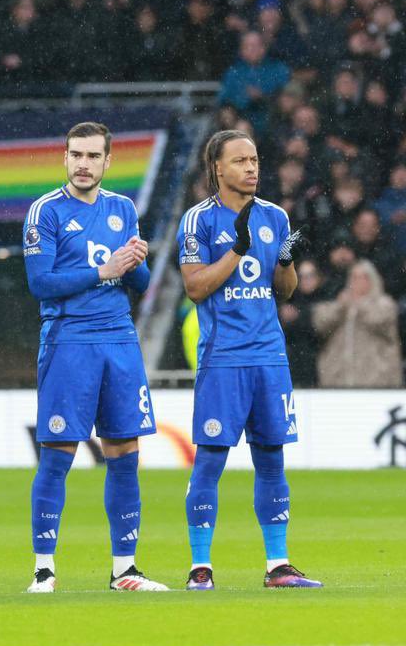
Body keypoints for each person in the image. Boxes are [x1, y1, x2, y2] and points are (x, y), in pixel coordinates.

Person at [21, 122, 166, 594]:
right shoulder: (45, 211)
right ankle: (44, 569)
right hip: (69, 340)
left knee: (125, 453)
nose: (83, 164)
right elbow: (40, 283)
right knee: (58, 453)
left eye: (92, 156)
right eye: (76, 155)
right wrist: (104, 269)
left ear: (108, 161)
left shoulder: (123, 208)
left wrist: (137, 262)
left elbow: (141, 285)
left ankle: (125, 569)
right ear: (65, 158)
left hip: (120, 340)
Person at [177, 129, 321, 590]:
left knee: (271, 459)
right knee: (211, 460)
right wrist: (237, 250)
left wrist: (285, 259)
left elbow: (285, 290)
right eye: (240, 161)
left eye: (255, 159)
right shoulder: (198, 221)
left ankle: (277, 564)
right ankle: (201, 567)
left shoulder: (274, 217)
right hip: (223, 358)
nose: (252, 167)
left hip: (270, 357)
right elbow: (196, 287)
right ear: (217, 168)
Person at [312, 260, 402, 387]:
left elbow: (378, 320)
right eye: (354, 277)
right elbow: (320, 323)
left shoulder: (384, 304)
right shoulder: (341, 304)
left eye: (364, 277)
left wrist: (358, 304)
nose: (358, 282)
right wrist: (340, 307)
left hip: (377, 380)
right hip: (339, 381)